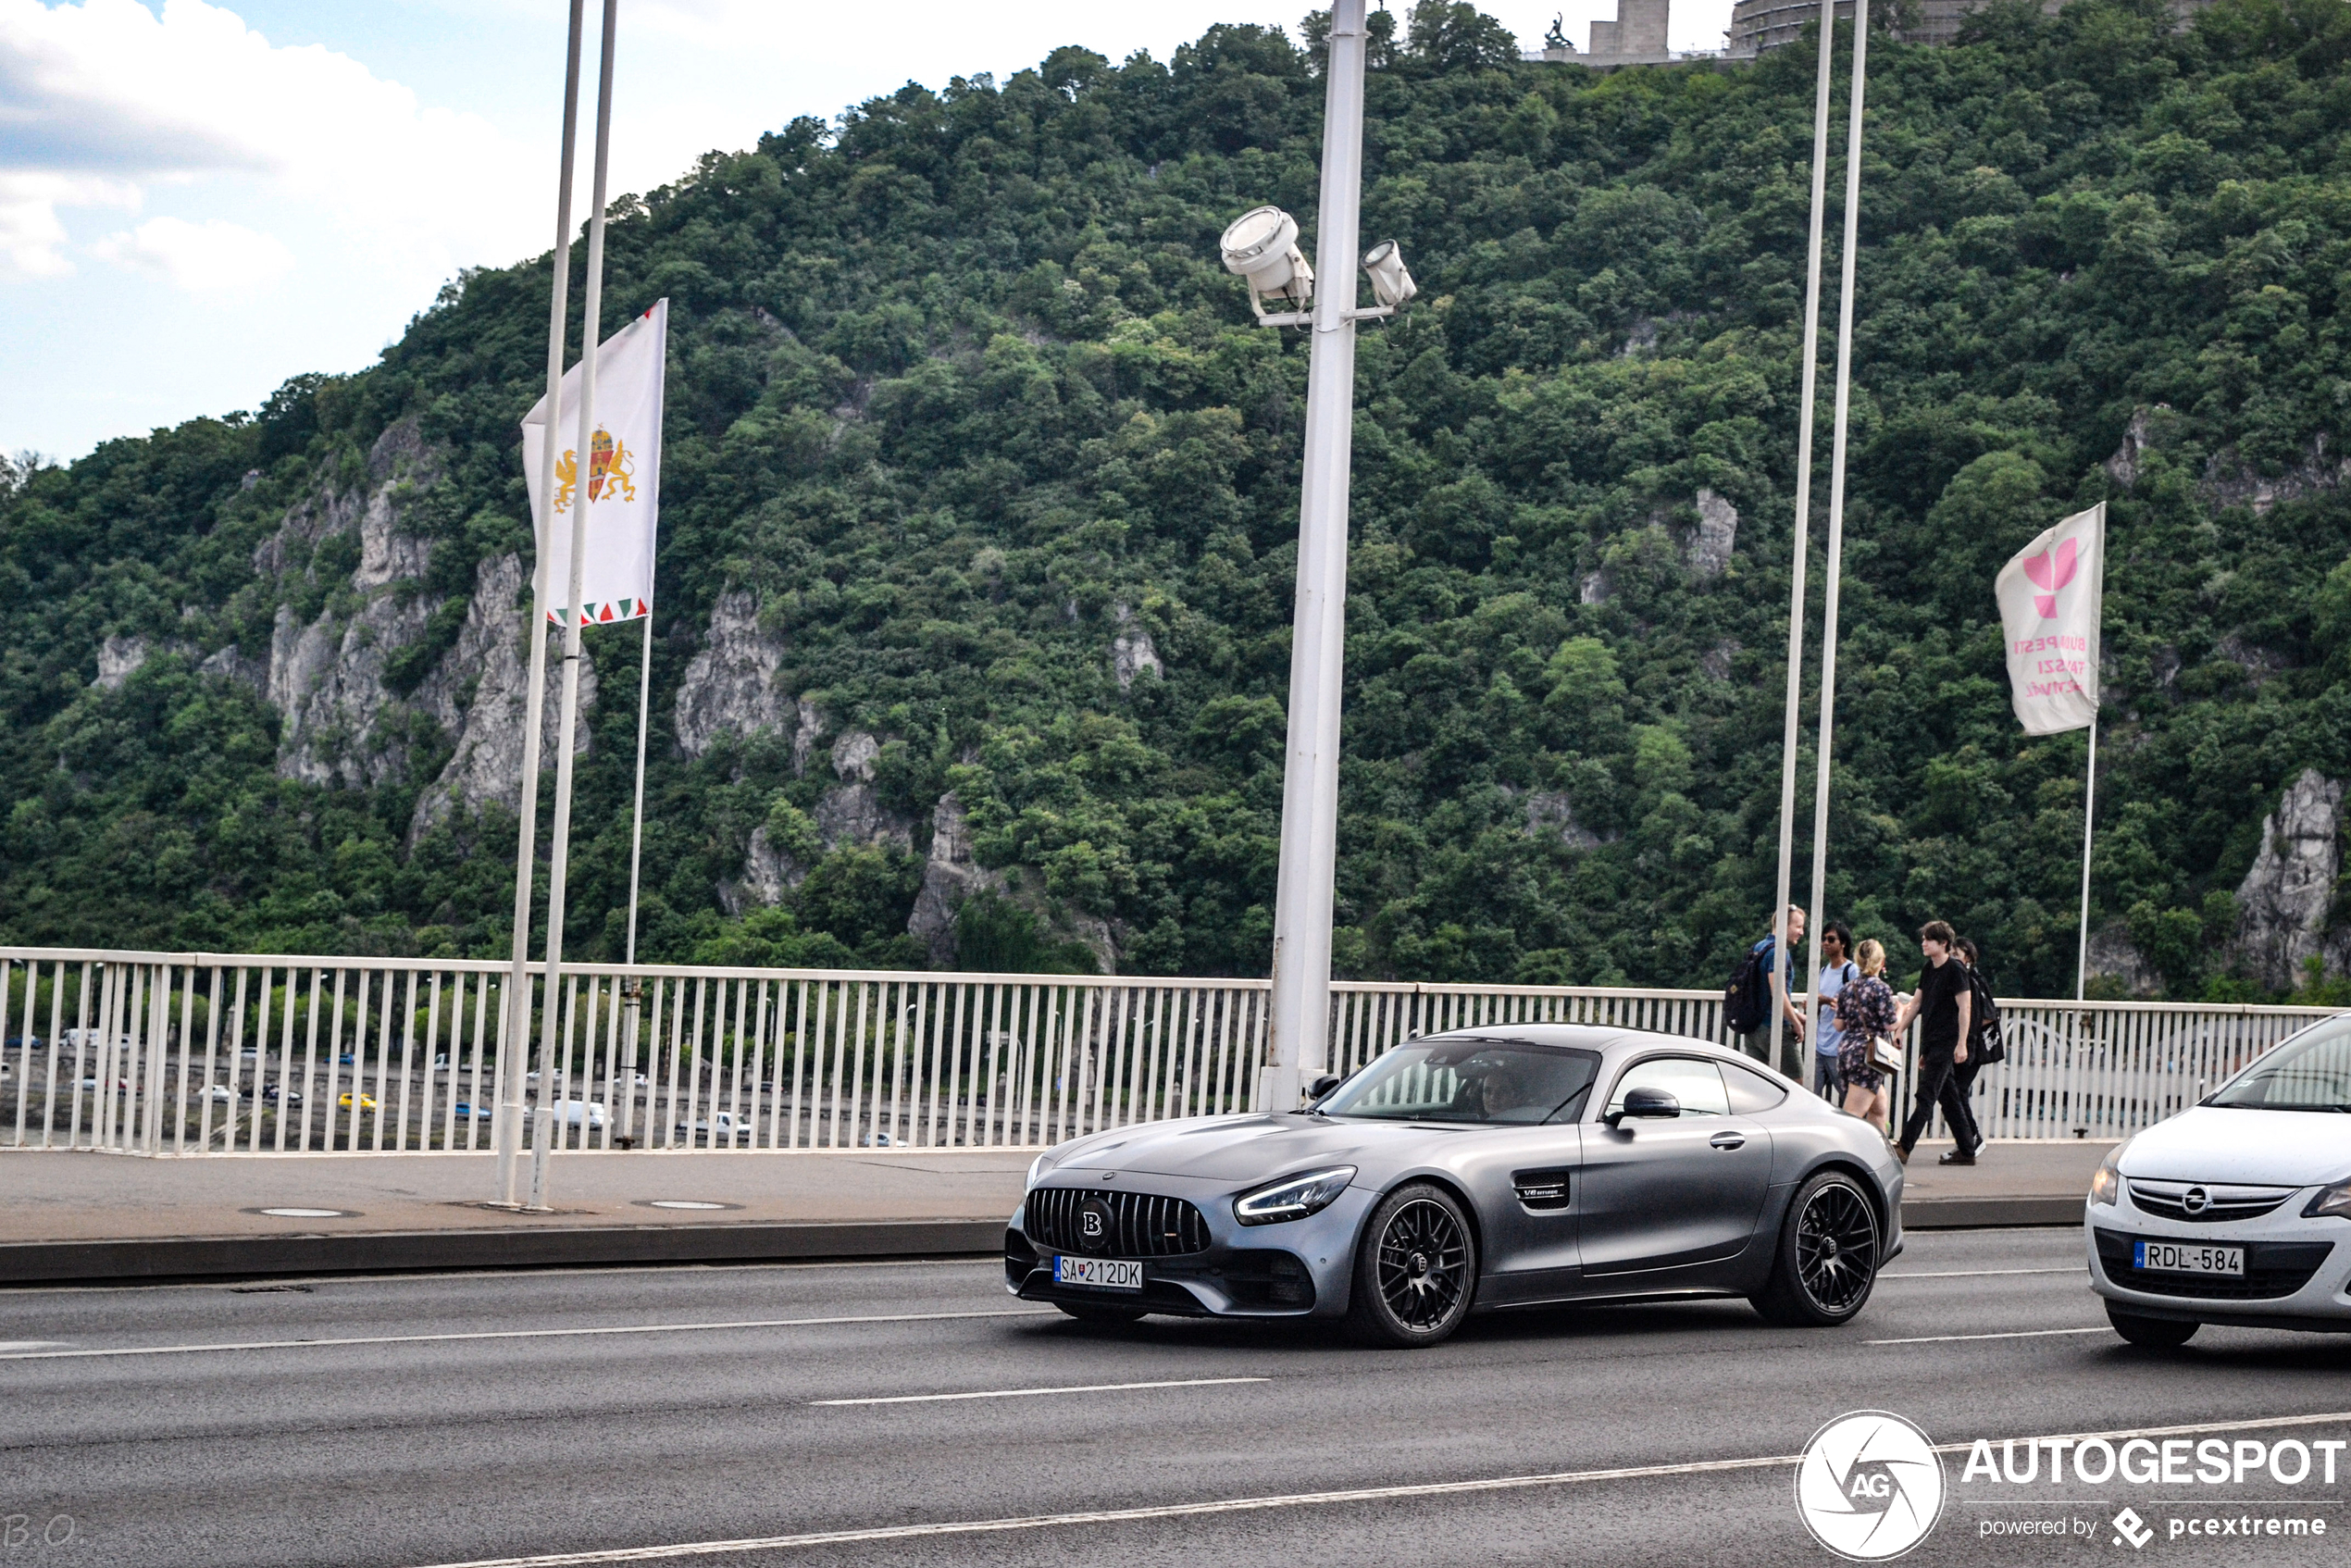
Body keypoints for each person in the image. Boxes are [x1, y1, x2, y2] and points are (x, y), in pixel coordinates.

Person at [1892, 920, 1980, 1165]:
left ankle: (1904, 1146)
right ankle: (1967, 1149)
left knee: (1926, 1095)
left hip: (1947, 1042)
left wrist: (1962, 1044)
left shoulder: (1955, 970)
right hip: (1933, 1041)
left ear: (1943, 943)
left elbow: (1965, 1007)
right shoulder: (1929, 969)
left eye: (1928, 939)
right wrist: (1901, 1029)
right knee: (1948, 1096)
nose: (1924, 943)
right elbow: (1917, 1003)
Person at [1735, 906, 1807, 1076]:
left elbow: (1765, 991)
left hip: (1753, 1028)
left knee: (1758, 1085)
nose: (1801, 932)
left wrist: (1796, 1013)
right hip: (1774, 1029)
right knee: (1798, 1085)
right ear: (1783, 925)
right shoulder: (1778, 952)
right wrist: (1796, 1024)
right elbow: (1778, 993)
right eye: (1798, 927)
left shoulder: (1759, 947)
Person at [1836, 938, 1898, 1138]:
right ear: (1882, 961)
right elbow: (1891, 1024)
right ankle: (1838, 1155)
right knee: (1853, 1115)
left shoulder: (1848, 988)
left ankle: (1881, 1154)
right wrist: (1903, 1010)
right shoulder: (1881, 989)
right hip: (1869, 1056)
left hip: (1847, 1051)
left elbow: (1839, 1025)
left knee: (1878, 1108)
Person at [1952, 936, 1991, 1156]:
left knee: (1957, 1092)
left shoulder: (1969, 982)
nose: (1954, 960)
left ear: (1968, 957)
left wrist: (1964, 1043)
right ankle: (1970, 1139)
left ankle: (1971, 1138)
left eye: (1957, 955)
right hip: (1971, 1045)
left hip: (1970, 1046)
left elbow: (1981, 1015)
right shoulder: (1974, 979)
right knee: (1958, 1092)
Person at [1811, 922, 1857, 1102]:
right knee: (1809, 1096)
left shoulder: (1851, 971)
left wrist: (1827, 1000)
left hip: (1839, 1047)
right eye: (1823, 939)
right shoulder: (1823, 970)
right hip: (1819, 1044)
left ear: (1843, 943)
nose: (1825, 943)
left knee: (1848, 1098)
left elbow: (1856, 1005)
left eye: (1831, 939)